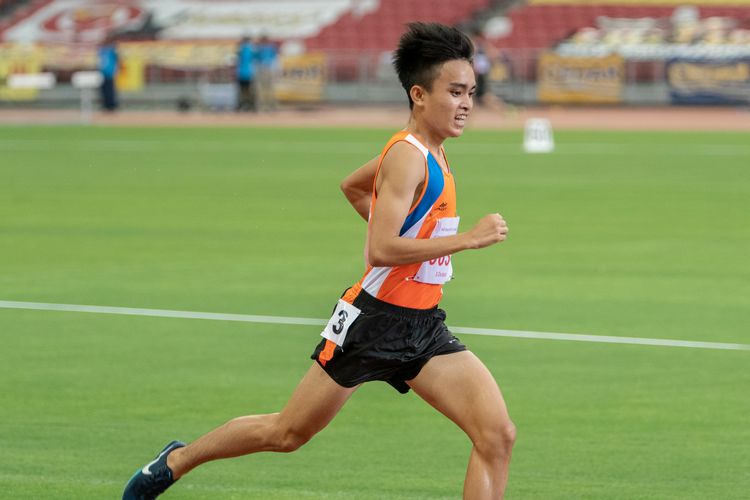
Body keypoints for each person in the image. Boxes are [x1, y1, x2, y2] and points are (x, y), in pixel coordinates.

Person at [122, 22, 515, 500]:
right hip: (373, 321)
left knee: (496, 435)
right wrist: (466, 240)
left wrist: (410, 236)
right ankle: (176, 460)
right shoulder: (408, 157)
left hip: (423, 325)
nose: (467, 104)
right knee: (287, 434)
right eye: (455, 92)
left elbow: (352, 187)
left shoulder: (434, 152)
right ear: (418, 94)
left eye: (470, 92)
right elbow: (382, 250)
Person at [257, 35, 279, 111]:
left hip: (266, 69)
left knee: (266, 89)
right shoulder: (262, 48)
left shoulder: (264, 48)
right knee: (266, 89)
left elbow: (275, 60)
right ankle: (267, 106)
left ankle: (268, 106)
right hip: (266, 69)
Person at [235, 36, 258, 112]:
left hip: (245, 73)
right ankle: (248, 106)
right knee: (247, 91)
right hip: (246, 73)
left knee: (245, 91)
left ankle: (246, 105)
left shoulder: (243, 49)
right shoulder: (250, 49)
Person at [98, 37, 119, 112]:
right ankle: (105, 105)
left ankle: (111, 106)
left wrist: (116, 70)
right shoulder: (102, 51)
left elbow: (117, 60)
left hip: (110, 73)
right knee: (103, 91)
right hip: (102, 73)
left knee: (110, 90)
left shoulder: (112, 50)